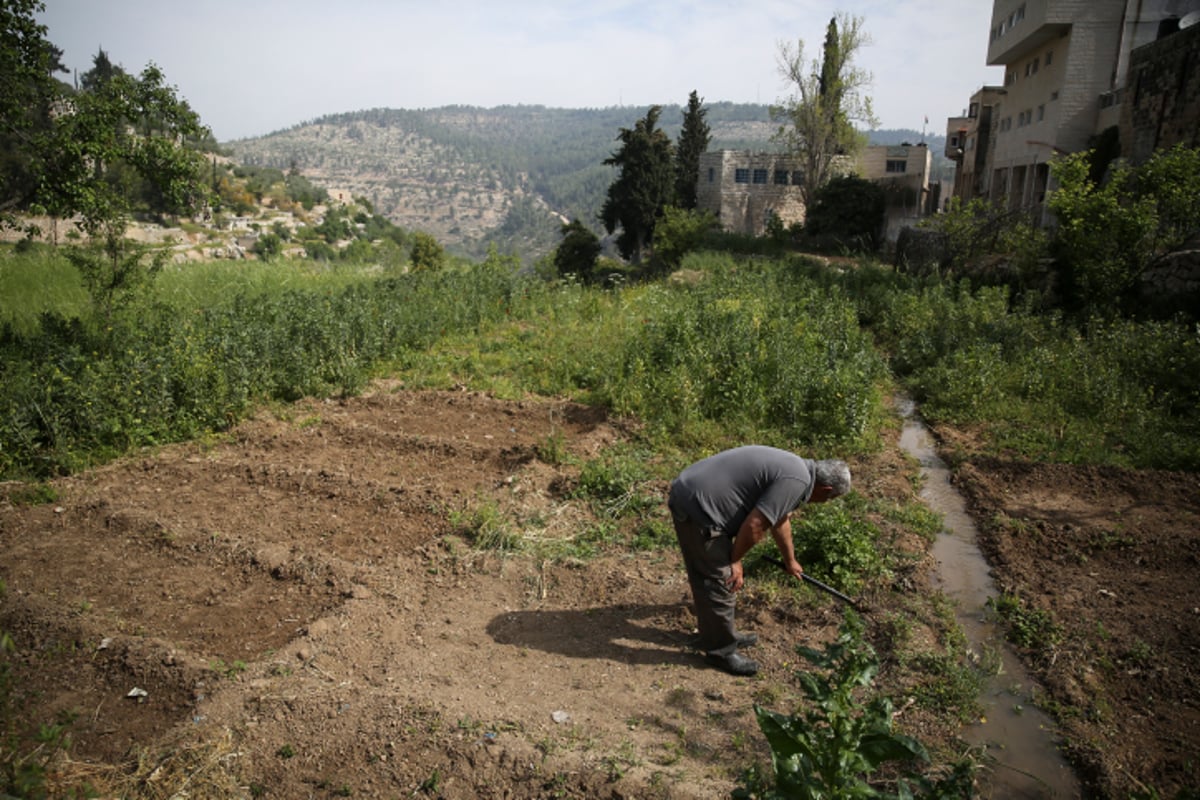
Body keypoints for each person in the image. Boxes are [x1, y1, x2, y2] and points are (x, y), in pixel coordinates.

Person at [667, 446, 852, 676]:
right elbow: (755, 526)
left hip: (691, 492)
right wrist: (734, 560)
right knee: (722, 580)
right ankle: (720, 652)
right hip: (700, 507)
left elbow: (780, 519)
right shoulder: (797, 481)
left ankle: (717, 635)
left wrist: (790, 560)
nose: (825, 502)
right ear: (826, 489)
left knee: (708, 574)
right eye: (830, 499)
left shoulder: (798, 469)